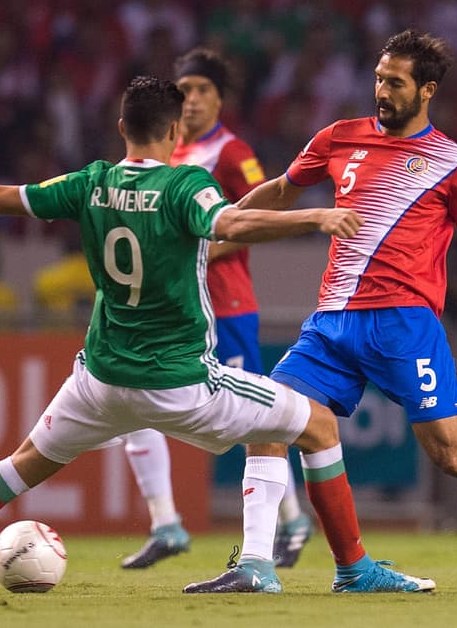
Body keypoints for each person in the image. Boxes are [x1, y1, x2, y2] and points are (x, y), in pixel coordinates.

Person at [0, 76, 433, 596]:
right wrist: (313, 216)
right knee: (318, 424)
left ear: (122, 126)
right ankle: (351, 569)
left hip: (99, 382)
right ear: (175, 131)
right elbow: (232, 222)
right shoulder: (186, 186)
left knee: (20, 465)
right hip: (181, 383)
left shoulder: (91, 182)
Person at [223, 29, 457, 592]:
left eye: (396, 83)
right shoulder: (338, 137)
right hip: (331, 321)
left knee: (456, 456)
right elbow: (283, 191)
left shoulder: (454, 162)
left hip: (405, 325)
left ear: (427, 90)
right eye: (379, 79)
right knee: (272, 419)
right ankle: (260, 566)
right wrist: (218, 222)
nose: (382, 91)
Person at [117, 49, 312, 571]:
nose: (193, 99)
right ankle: (166, 523)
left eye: (204, 89)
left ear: (221, 100)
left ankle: (293, 520)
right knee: (132, 401)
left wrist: (198, 250)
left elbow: (262, 216)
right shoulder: (163, 155)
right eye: (186, 89)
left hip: (226, 306)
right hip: (170, 307)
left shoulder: (232, 152)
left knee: (256, 417)